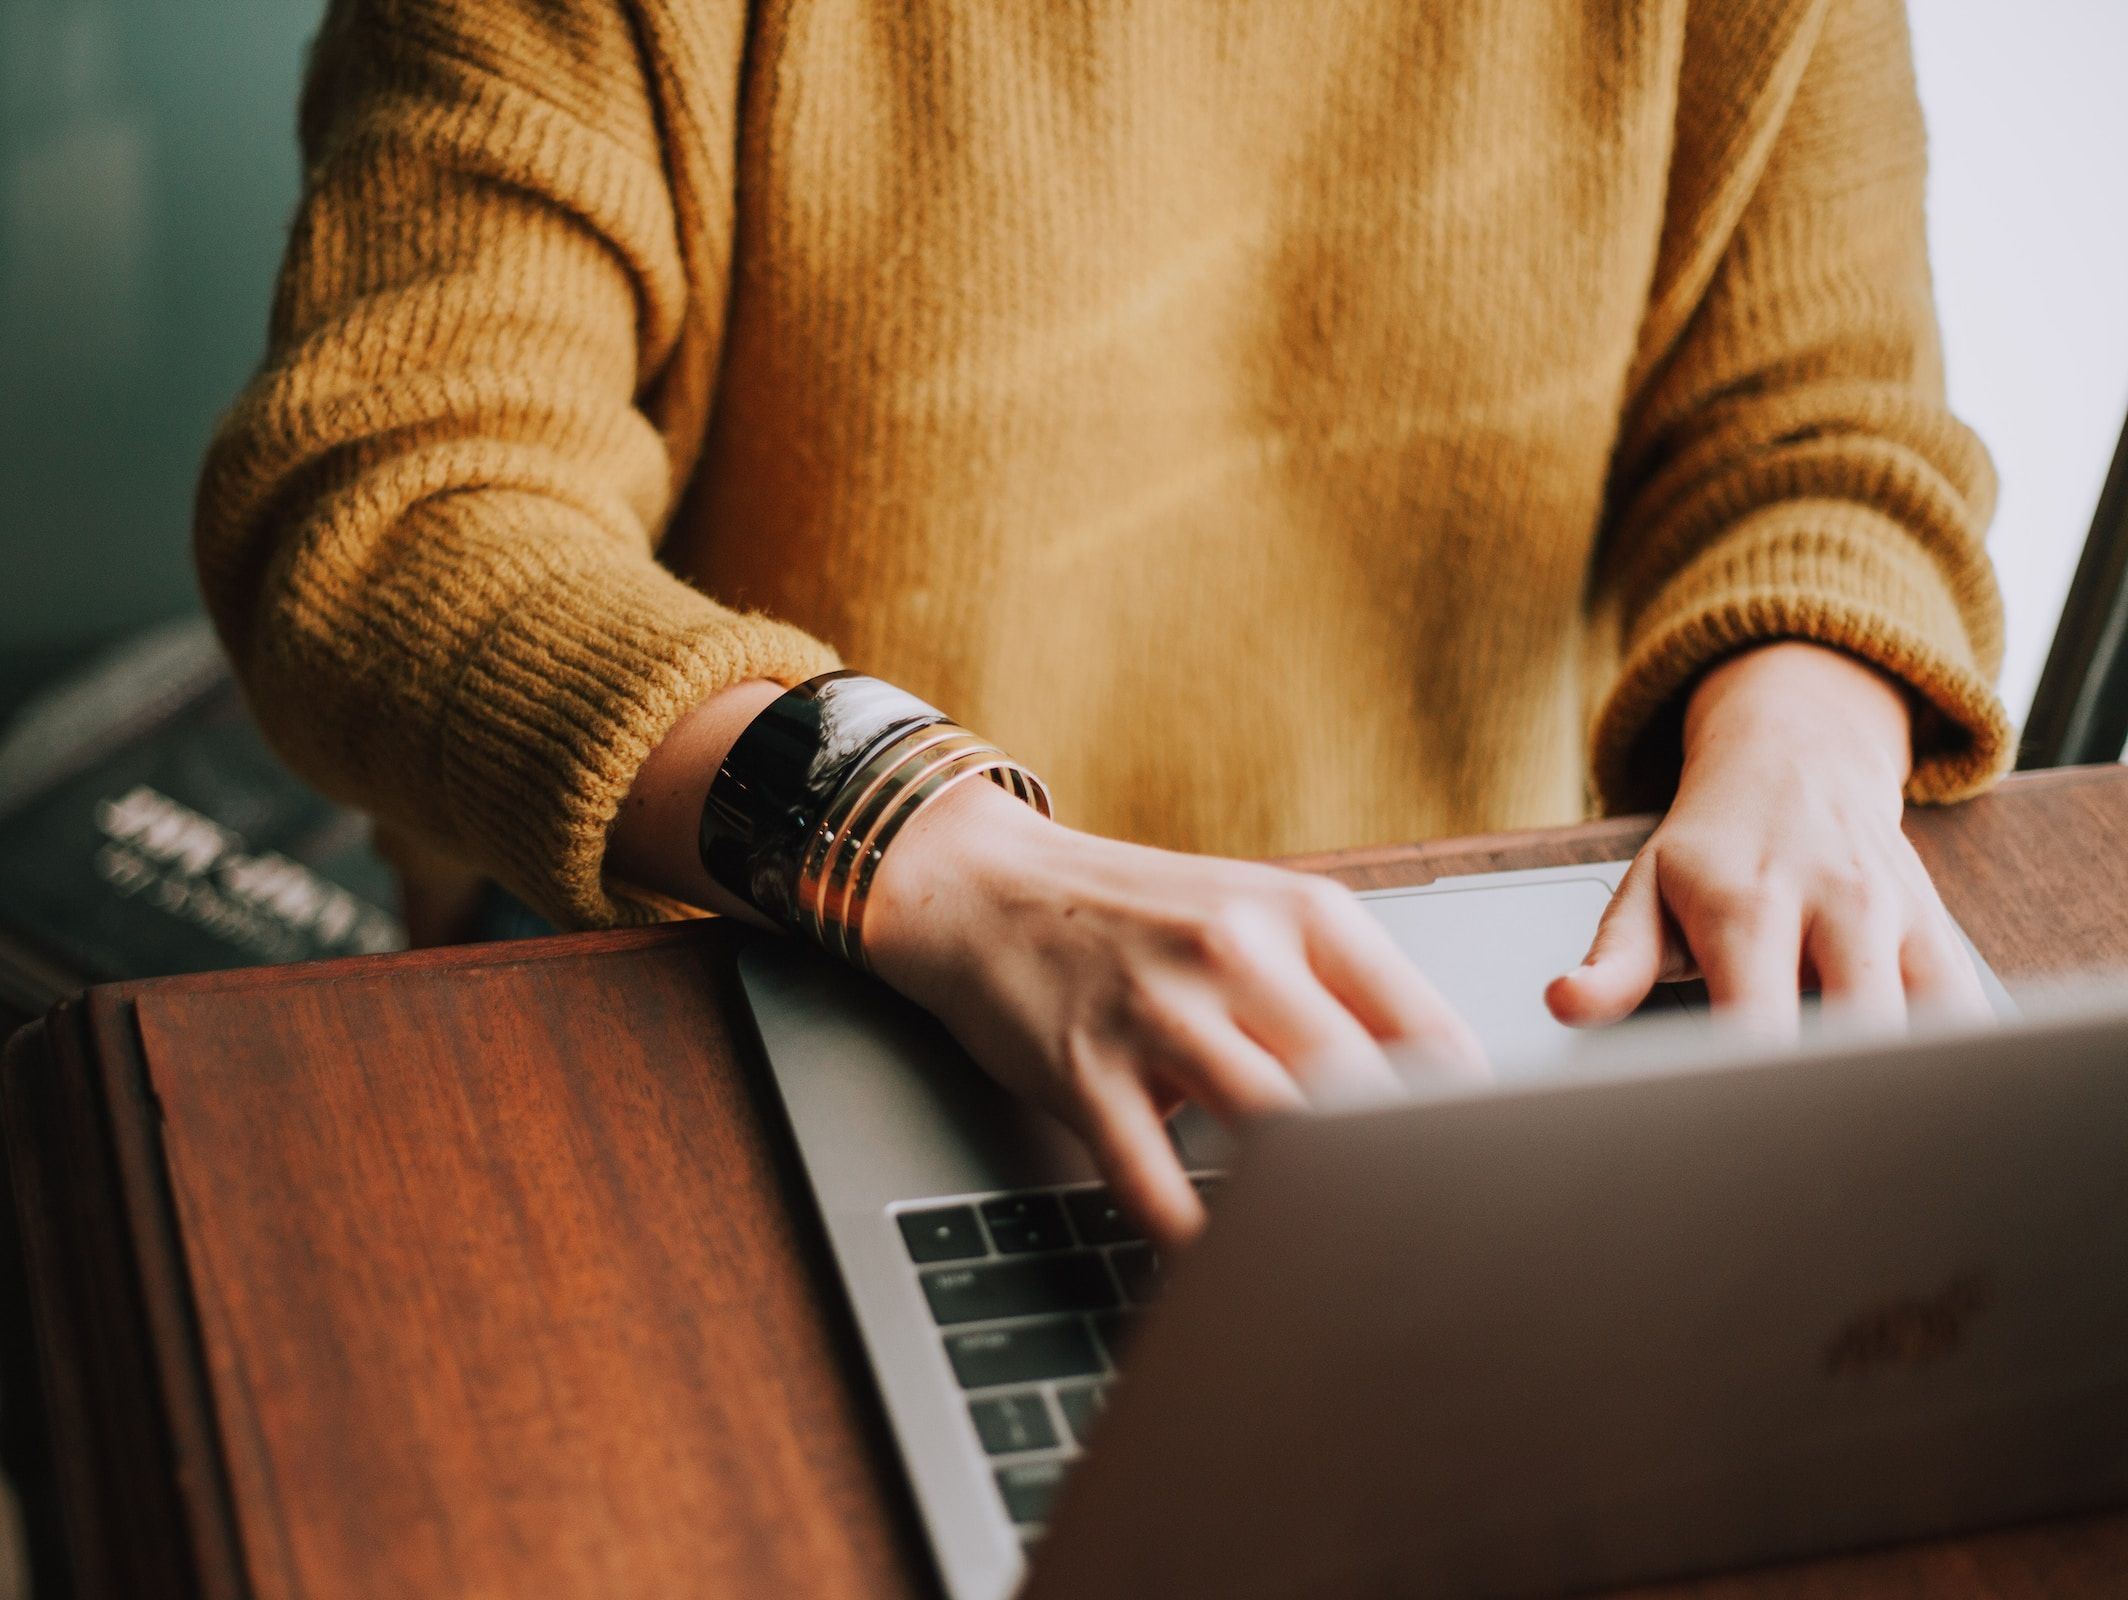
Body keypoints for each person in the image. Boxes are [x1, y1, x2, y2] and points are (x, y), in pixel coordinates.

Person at [195, 0, 2010, 1249]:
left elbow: (1824, 435)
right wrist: (917, 842)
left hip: (1442, 1015)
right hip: (760, 958)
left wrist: (1810, 732)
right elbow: (390, 502)